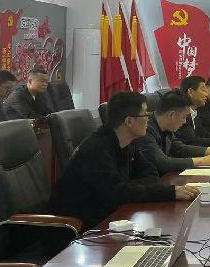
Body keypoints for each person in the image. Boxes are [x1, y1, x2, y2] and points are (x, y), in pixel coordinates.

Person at [49, 91, 199, 230]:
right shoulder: (96, 149)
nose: (148, 119)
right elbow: (117, 193)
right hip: (79, 227)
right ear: (129, 121)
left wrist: (131, 188)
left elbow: (150, 173)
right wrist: (169, 192)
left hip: (113, 217)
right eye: (145, 114)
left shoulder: (129, 142)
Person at [135, 89, 210, 176]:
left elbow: (179, 148)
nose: (184, 122)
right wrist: (201, 161)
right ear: (171, 115)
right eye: (184, 117)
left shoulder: (166, 127)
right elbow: (162, 163)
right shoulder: (145, 130)